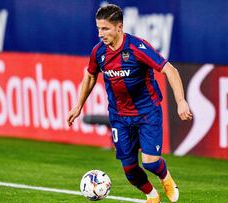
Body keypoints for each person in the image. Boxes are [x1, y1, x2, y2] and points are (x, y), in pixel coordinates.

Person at [67, 4, 192, 203]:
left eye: (105, 28)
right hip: (119, 116)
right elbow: (90, 76)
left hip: (147, 112)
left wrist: (181, 101)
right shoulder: (98, 52)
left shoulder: (137, 48)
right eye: (98, 28)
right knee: (130, 170)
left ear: (119, 27)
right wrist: (78, 105)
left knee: (150, 163)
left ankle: (165, 177)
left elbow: (170, 70)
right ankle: (152, 196)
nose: (101, 34)